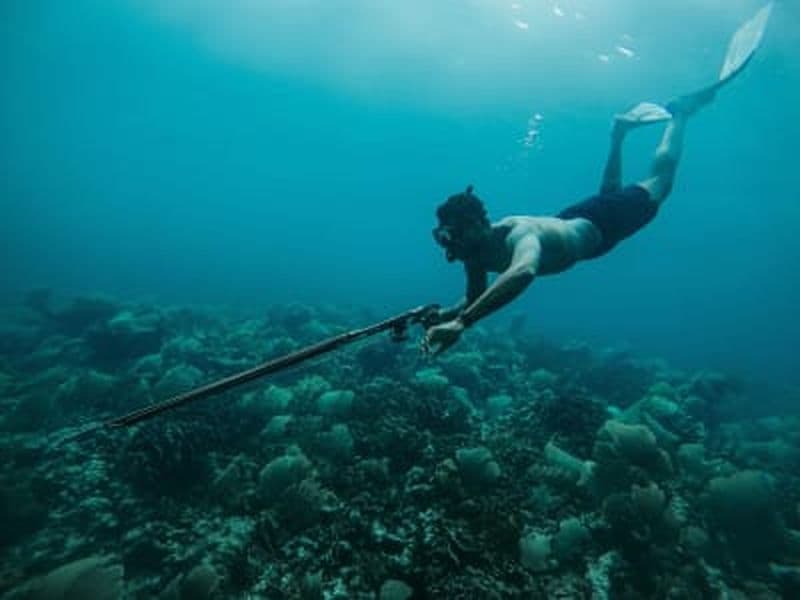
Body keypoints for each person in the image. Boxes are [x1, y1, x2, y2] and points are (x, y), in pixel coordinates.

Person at [422, 4, 772, 356]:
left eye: (455, 233)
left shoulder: (519, 236)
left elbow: (524, 271)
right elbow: (473, 296)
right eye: (445, 236)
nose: (450, 243)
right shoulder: (472, 252)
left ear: (481, 223)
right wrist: (447, 313)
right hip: (575, 223)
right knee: (610, 194)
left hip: (596, 225)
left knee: (660, 183)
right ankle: (618, 135)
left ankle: (679, 114)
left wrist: (462, 323)